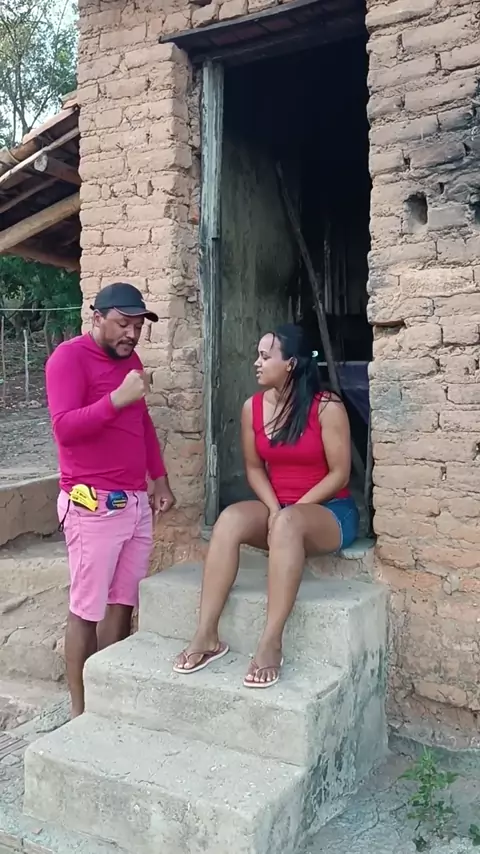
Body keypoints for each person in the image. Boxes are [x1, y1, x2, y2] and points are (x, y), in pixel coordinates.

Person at [174, 323, 359, 688]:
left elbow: (340, 474)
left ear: (290, 363)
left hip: (329, 512)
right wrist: (274, 509)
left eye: (264, 356)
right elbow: (255, 468)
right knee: (230, 519)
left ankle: (271, 642)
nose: (256, 363)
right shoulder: (253, 407)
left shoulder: (327, 407)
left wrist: (291, 512)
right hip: (281, 508)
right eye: (257, 356)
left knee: (289, 523)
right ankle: (206, 635)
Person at [46, 282, 175, 717]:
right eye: (123, 324)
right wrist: (115, 400)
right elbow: (64, 429)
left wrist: (159, 479)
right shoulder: (68, 359)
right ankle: (79, 713)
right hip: (91, 504)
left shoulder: (130, 361)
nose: (131, 334)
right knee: (86, 610)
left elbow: (142, 423)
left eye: (138, 326)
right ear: (97, 317)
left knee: (122, 604)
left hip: (134, 502)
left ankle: (106, 704)